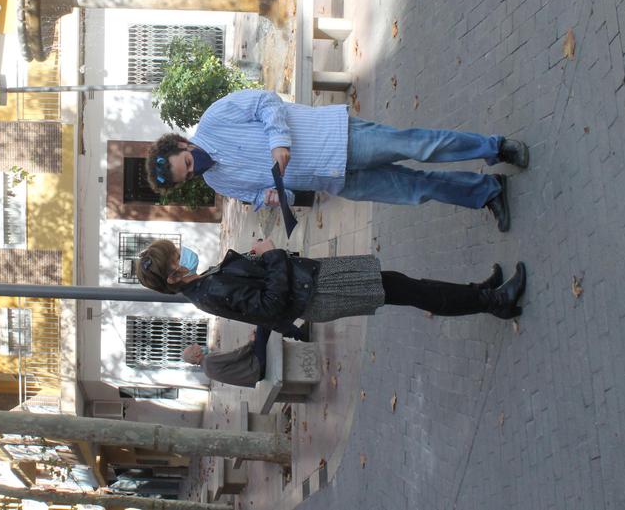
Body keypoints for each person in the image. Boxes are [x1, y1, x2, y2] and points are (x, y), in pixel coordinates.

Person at [145, 89, 529, 231]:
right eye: (188, 177)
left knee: (421, 147)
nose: (195, 170)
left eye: (188, 163)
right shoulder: (217, 182)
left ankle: (494, 149)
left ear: (181, 143)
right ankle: (487, 191)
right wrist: (273, 199)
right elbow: (262, 196)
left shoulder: (215, 118)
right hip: (332, 180)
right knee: (416, 189)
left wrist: (279, 142)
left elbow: (265, 101)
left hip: (340, 138)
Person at [135, 239, 526, 332]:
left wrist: (253, 259)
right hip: (319, 292)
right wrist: (272, 255)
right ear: (173, 276)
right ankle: (493, 300)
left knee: (403, 285)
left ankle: (478, 293)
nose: (183, 253)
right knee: (409, 290)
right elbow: (270, 306)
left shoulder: (203, 285)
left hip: (315, 282)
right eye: (177, 256)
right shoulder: (208, 292)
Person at [182, 325, 274, 388]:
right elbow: (235, 355)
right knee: (262, 324)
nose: (195, 344)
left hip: (256, 376)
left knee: (260, 332)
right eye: (193, 346)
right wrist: (251, 342)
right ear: (196, 354)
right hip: (257, 366)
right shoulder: (208, 360)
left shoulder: (207, 372)